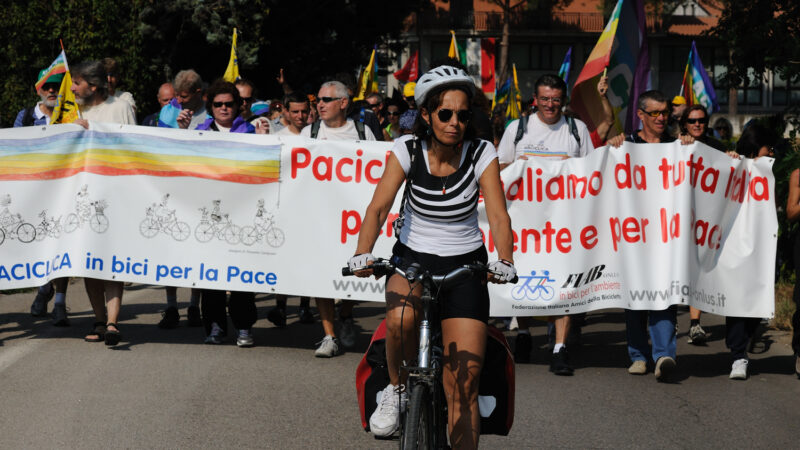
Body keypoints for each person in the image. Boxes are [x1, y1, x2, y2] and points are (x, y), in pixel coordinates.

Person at [348, 65, 515, 445]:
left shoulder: (481, 151)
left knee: (462, 387)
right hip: (413, 259)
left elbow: (498, 214)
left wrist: (504, 259)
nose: (455, 122)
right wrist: (363, 252)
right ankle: (398, 389)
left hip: (466, 266)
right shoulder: (407, 148)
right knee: (399, 320)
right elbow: (377, 208)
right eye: (445, 114)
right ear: (426, 114)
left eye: (462, 114)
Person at [496, 74, 594, 376]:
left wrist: (573, 167)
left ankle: (559, 348)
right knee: (522, 276)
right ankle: (523, 334)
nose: (550, 105)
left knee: (563, 281)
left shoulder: (577, 130)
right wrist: (518, 165)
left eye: (556, 99)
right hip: (525, 221)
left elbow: (593, 174)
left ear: (563, 100)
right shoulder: (518, 128)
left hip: (564, 223)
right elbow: (497, 169)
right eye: (545, 99)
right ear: (534, 100)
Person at [607, 90, 680, 380]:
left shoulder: (676, 147)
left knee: (665, 294)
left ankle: (664, 355)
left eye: (665, 113)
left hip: (665, 236)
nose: (662, 118)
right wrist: (613, 145)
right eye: (655, 113)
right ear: (641, 115)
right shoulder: (627, 145)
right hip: (633, 236)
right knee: (635, 296)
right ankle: (638, 355)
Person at [301, 80, 376, 357]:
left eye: (326, 99)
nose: (319, 104)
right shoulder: (310, 131)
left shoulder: (362, 131)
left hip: (352, 216)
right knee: (321, 273)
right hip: (319, 216)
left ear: (343, 103)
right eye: (317, 99)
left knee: (356, 268)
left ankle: (345, 313)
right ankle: (329, 335)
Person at [191, 79, 265, 347]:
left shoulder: (250, 133)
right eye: (218, 104)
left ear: (238, 106)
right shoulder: (198, 132)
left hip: (240, 211)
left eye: (229, 104)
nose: (224, 108)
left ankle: (244, 326)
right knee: (210, 274)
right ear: (210, 107)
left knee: (242, 271)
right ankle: (214, 326)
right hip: (209, 213)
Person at [70, 60, 136, 345]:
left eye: (77, 83)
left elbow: (132, 145)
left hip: (114, 193)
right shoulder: (74, 111)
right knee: (89, 262)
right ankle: (98, 319)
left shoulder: (119, 107)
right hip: (83, 195)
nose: (71, 88)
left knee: (111, 260)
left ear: (93, 86)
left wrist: (94, 132)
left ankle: (112, 322)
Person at [14, 69, 74, 325]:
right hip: (33, 191)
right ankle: (42, 290)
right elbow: (14, 149)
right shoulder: (26, 116)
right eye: (47, 86)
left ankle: (59, 302)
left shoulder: (70, 116)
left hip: (63, 189)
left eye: (56, 87)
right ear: (38, 89)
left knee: (61, 245)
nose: (51, 91)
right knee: (38, 245)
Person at [725, 123, 775, 379]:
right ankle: (738, 355)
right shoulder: (732, 165)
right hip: (734, 243)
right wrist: (728, 162)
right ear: (756, 147)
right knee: (736, 301)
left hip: (762, 245)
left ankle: (744, 338)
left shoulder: (770, 171)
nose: (771, 154)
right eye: (768, 149)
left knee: (756, 299)